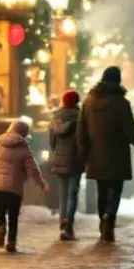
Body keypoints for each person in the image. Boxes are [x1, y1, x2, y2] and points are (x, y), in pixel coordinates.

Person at [77, 66, 134, 243]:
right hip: (117, 154)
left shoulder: (89, 101)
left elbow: (81, 129)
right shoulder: (121, 102)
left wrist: (83, 150)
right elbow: (129, 129)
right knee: (115, 189)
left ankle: (103, 218)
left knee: (102, 190)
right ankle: (109, 218)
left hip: (96, 155)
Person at [0, 119, 49, 252]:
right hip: (14, 188)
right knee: (13, 214)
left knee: (0, 209)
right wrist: (42, 184)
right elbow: (33, 170)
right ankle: (11, 241)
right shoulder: (24, 149)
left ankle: (0, 227)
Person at [50, 90, 83, 241]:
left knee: (63, 194)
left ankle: (62, 225)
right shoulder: (80, 117)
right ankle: (68, 224)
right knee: (72, 194)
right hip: (75, 159)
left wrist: (56, 153)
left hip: (59, 158)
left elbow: (52, 141)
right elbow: (82, 140)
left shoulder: (55, 117)